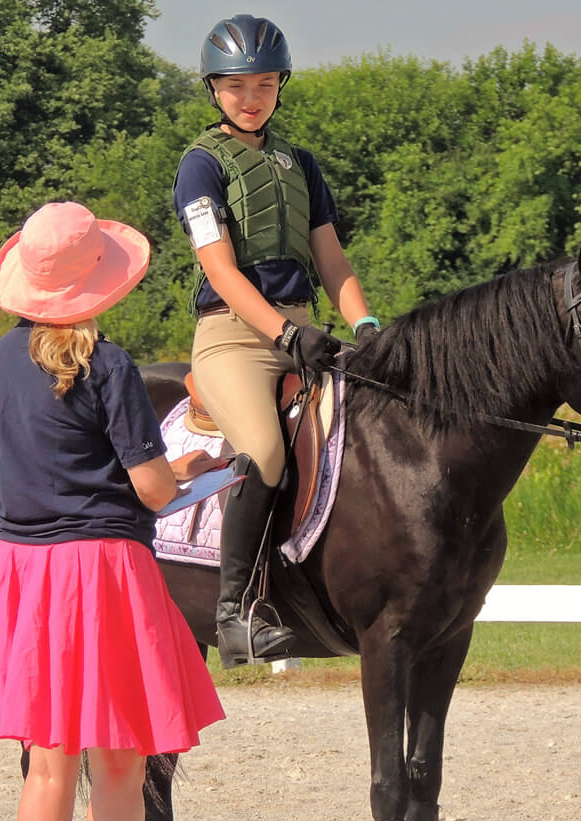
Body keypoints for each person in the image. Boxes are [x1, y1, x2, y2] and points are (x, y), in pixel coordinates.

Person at [0, 201, 223, 821]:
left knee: (48, 768)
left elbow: (51, 467)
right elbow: (151, 490)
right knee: (117, 764)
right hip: (99, 573)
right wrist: (185, 471)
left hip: (25, 573)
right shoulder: (109, 366)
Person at [172, 13, 380, 667]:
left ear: (280, 86)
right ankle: (235, 612)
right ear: (214, 89)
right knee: (263, 448)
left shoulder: (301, 164)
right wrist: (284, 332)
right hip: (234, 339)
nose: (251, 97)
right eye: (237, 85)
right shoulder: (200, 166)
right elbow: (220, 271)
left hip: (304, 331)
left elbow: (332, 261)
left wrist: (367, 327)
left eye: (264, 83)